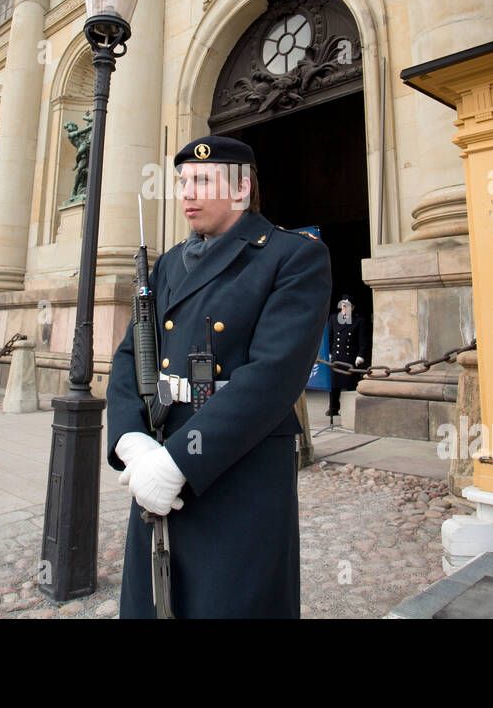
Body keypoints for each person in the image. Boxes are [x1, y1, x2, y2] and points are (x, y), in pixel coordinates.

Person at [106, 135, 332, 618]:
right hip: (157, 463)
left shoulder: (291, 257)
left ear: (241, 189)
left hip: (236, 476)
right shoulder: (168, 263)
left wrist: (177, 464)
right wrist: (132, 441)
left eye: (202, 181)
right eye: (183, 181)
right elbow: (130, 355)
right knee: (154, 601)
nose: (186, 193)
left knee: (229, 600)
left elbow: (272, 377)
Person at [326, 295, 370, 417]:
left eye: (347, 306)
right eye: (343, 306)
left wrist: (361, 355)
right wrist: (329, 353)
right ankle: (333, 408)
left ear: (353, 308)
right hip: (337, 357)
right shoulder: (334, 318)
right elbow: (330, 337)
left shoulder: (359, 321)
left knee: (351, 385)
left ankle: (351, 409)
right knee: (334, 386)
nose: (344, 308)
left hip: (350, 358)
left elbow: (363, 341)